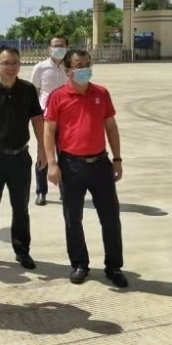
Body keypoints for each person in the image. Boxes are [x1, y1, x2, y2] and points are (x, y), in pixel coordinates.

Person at [43, 49, 128, 288]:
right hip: (71, 166)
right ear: (68, 70)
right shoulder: (58, 96)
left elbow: (110, 126)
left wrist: (118, 159)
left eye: (88, 64)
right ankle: (80, 263)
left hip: (100, 164)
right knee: (73, 218)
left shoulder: (101, 93)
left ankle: (114, 266)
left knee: (110, 218)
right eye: (79, 65)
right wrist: (52, 163)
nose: (84, 69)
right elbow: (48, 131)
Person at [0, 46, 47, 271]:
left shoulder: (27, 90)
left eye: (15, 62)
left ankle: (22, 250)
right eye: (5, 63)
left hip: (20, 158)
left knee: (21, 207)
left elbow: (37, 121)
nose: (10, 67)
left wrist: (43, 150)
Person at [30, 35, 69, 205]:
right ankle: (41, 191)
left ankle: (65, 190)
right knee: (43, 154)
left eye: (61, 45)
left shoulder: (70, 68)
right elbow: (35, 93)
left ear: (67, 47)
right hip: (46, 117)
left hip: (67, 117)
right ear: (49, 48)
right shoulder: (40, 68)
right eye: (55, 46)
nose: (58, 48)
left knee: (66, 155)